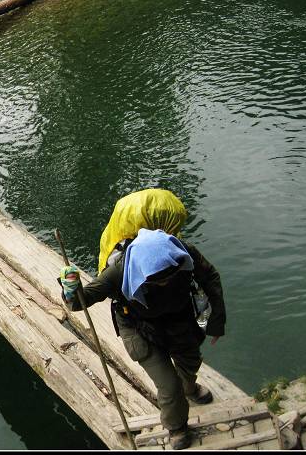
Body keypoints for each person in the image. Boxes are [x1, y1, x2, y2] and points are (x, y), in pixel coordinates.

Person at [58, 188, 226, 450]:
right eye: (159, 280)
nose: (167, 280)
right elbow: (79, 302)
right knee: (169, 386)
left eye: (173, 274)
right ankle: (177, 428)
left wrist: (217, 321)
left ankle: (190, 388)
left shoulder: (183, 253)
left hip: (179, 319)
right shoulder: (120, 271)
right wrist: (70, 288)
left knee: (190, 362)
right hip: (138, 327)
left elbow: (210, 277)